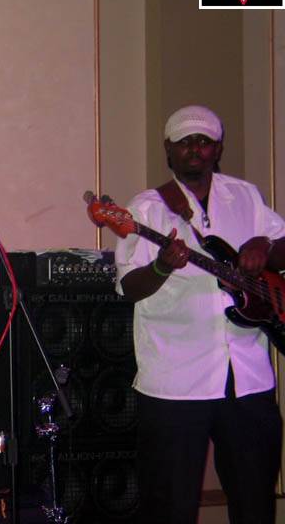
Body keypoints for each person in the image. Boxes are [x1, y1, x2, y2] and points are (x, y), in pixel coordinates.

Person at [115, 105, 285, 524]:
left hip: (247, 378)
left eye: (204, 141)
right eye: (184, 142)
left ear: (217, 149)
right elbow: (128, 287)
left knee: (255, 503)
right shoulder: (147, 208)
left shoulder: (245, 195)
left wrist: (263, 246)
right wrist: (161, 267)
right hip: (175, 381)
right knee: (170, 508)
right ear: (168, 149)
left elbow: (281, 247)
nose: (194, 149)